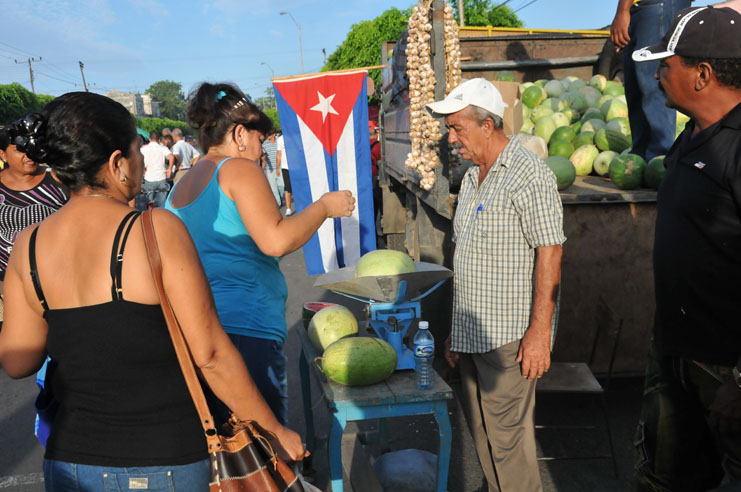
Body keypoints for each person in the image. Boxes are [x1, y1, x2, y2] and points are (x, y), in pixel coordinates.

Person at [0, 92, 306, 491]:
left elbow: (18, 361)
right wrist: (274, 431)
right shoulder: (154, 230)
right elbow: (211, 354)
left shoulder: (28, 245)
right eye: (136, 151)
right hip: (163, 460)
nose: (143, 161)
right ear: (116, 164)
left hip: (69, 460)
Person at [165, 82, 355, 426]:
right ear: (239, 133)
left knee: (227, 448)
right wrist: (324, 207)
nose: (262, 149)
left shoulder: (181, 185)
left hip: (197, 331)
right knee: (267, 444)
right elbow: (275, 241)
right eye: (259, 138)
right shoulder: (237, 170)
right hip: (246, 330)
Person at [426, 78, 565, 492]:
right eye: (450, 129)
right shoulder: (472, 179)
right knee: (483, 435)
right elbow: (468, 260)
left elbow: (551, 252)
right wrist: (456, 330)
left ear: (488, 125)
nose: (452, 139)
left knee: (507, 443)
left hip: (509, 338)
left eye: (458, 128)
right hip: (473, 334)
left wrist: (539, 333)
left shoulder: (528, 174)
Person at [630, 7, 741, 491]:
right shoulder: (688, 139)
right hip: (675, 353)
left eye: (666, 64)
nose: (657, 74)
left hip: (726, 369)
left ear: (703, 74)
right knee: (664, 477)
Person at [610, 0, 692, 161]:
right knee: (635, 87)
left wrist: (622, 11)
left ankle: (659, 159)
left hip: (656, 5)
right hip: (643, 8)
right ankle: (639, 159)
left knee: (654, 84)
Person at [0, 121, 68, 281]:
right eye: (20, 150)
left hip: (52, 279)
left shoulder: (59, 179)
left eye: (34, 147)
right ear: (3, 155)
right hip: (4, 283)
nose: (29, 154)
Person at [140, 131, 175, 208]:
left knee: (149, 203)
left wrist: (142, 171)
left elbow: (139, 160)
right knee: (161, 203)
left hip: (149, 177)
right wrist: (169, 169)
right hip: (161, 177)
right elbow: (171, 157)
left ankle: (150, 217)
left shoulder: (143, 149)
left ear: (149, 139)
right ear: (159, 140)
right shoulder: (163, 148)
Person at [261, 129, 282, 206]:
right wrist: (264, 160)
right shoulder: (264, 144)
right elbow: (263, 154)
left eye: (270, 134)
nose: (268, 136)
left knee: (282, 185)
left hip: (279, 167)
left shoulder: (278, 142)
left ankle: (282, 196)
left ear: (274, 134)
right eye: (267, 134)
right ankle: (278, 203)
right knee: (273, 187)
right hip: (270, 169)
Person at [276, 133, 294, 215]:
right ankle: (288, 208)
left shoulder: (296, 136)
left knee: (297, 187)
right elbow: (279, 154)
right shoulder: (280, 139)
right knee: (287, 187)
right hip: (285, 167)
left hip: (296, 167)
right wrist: (277, 168)